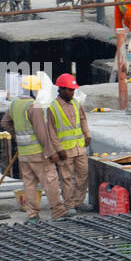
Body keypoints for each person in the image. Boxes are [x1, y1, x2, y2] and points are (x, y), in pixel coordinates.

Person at [0, 75, 66, 222]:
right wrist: (51, 152)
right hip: (38, 153)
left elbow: (5, 123)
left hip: (24, 153)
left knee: (29, 184)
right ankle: (58, 211)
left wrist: (17, 136)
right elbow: (41, 132)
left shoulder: (14, 104)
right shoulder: (34, 106)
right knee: (50, 181)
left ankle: (32, 214)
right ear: (33, 90)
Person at [50, 73, 91, 215]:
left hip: (79, 147)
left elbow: (83, 120)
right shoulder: (53, 108)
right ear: (61, 89)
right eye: (70, 90)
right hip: (65, 149)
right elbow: (51, 132)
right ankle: (69, 205)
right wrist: (58, 149)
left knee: (83, 174)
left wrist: (87, 134)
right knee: (67, 177)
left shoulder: (75, 103)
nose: (72, 92)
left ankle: (79, 202)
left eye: (73, 90)